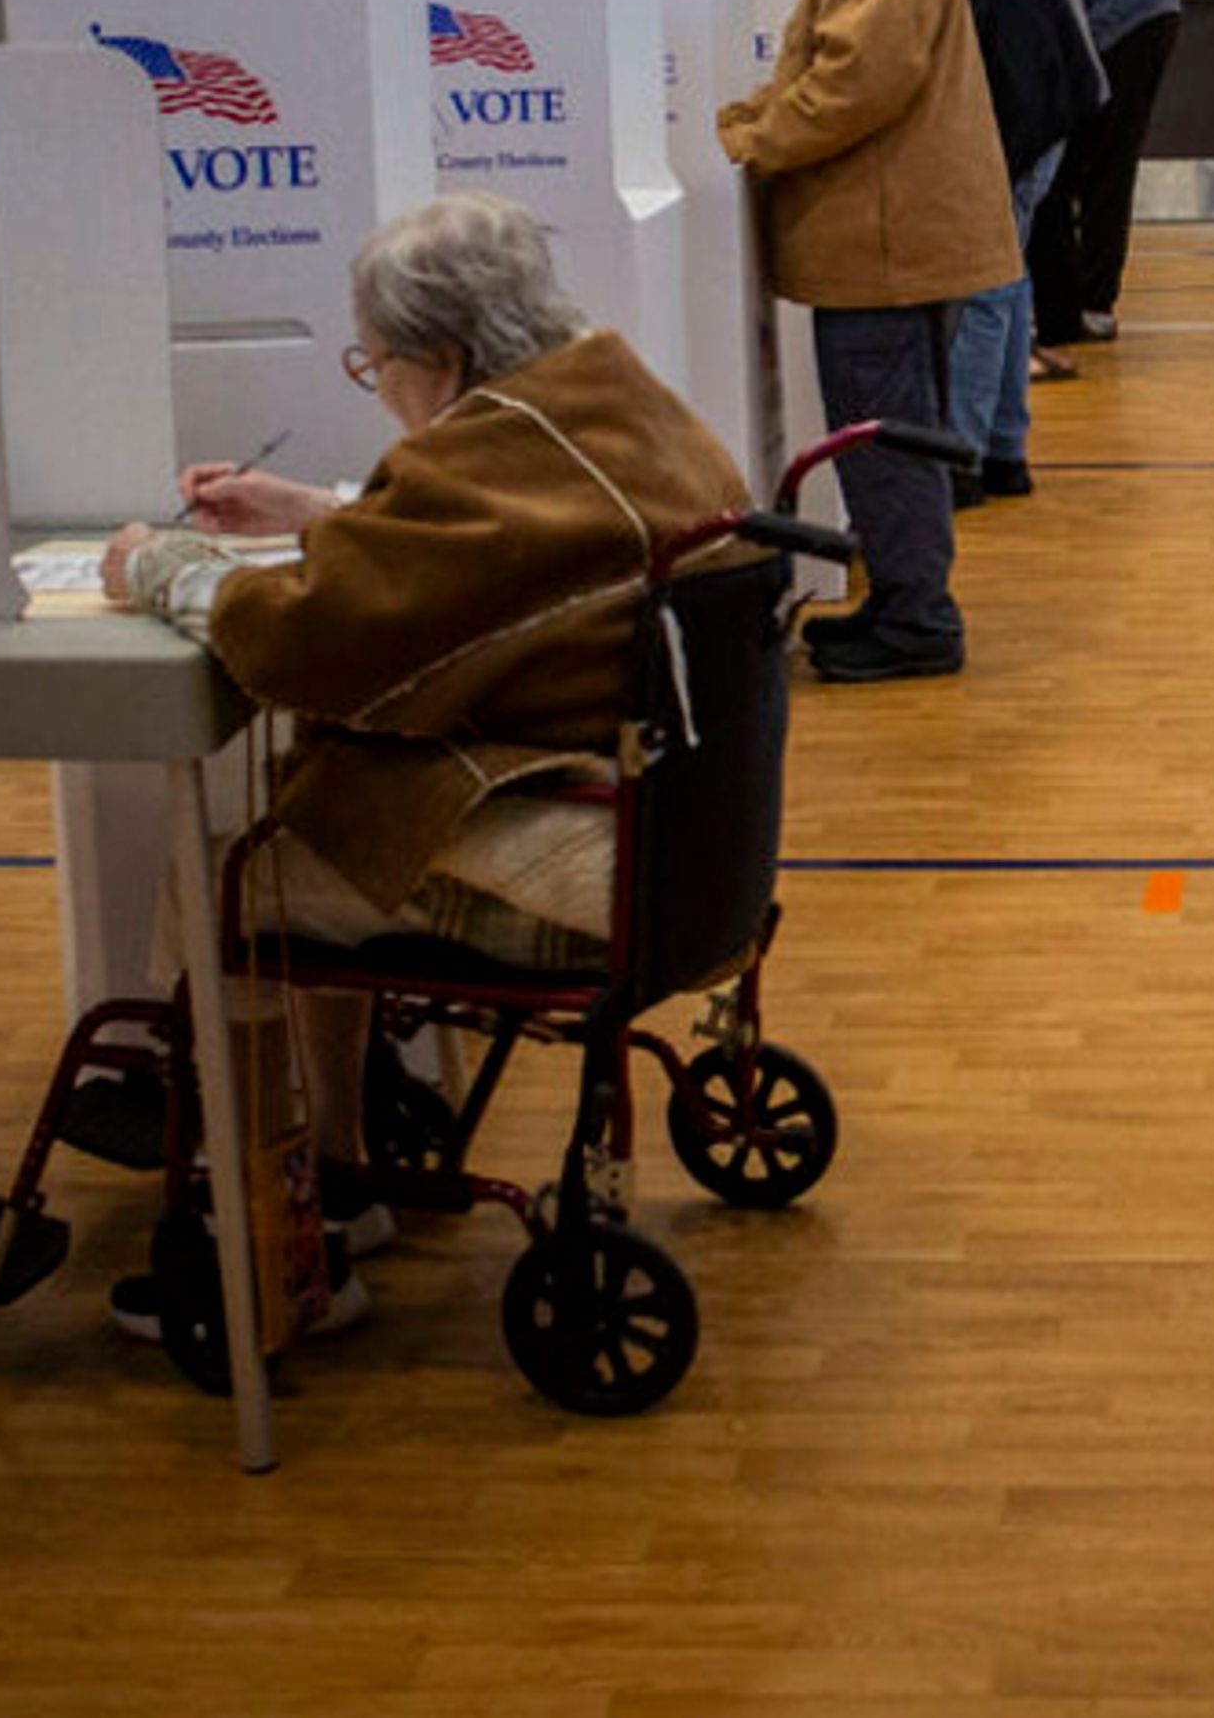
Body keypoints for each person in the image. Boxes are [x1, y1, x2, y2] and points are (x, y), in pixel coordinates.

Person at [95, 192, 752, 1330]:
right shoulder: (612, 400)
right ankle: (340, 1174)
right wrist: (320, 515)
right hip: (694, 838)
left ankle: (271, 1247)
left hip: (596, 859)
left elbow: (308, 641)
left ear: (443, 356)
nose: (380, 385)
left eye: (378, 363)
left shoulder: (487, 465)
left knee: (226, 886)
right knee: (320, 850)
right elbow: (483, 554)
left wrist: (158, 567)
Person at [711, 0, 1020, 681]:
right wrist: (750, 116)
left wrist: (744, 144)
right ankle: (900, 598)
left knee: (888, 438)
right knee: (885, 433)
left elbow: (853, 88)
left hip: (887, 247)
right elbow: (827, 73)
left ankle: (919, 618)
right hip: (885, 239)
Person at [916, 0, 1104, 499]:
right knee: (1008, 278)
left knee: (986, 286)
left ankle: (965, 460)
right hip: (1051, 102)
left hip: (1030, 110)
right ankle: (1001, 452)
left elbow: (990, 42)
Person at [1027, 0, 1183, 356]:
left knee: (1079, 169)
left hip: (1124, 13)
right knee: (1095, 165)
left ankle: (1084, 307)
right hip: (1144, 5)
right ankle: (1080, 303)